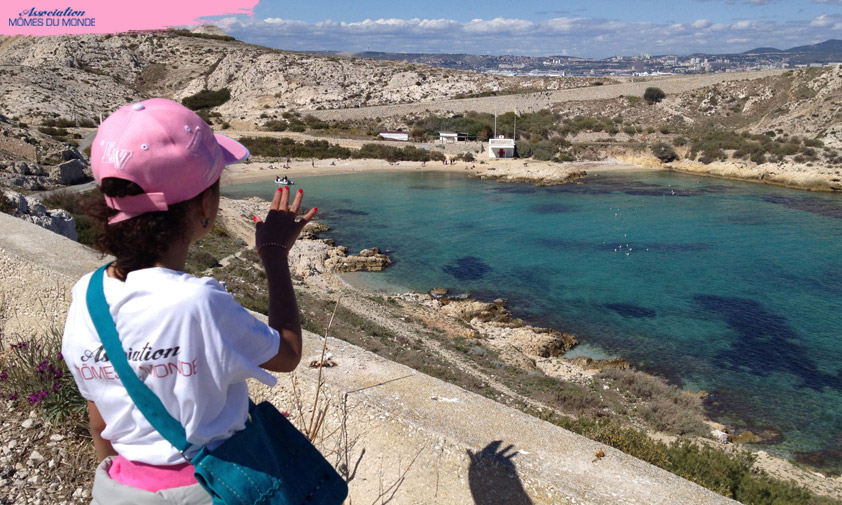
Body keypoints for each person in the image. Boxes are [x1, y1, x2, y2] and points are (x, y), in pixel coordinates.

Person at [61, 98, 317, 504]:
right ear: (205, 205)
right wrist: (273, 253)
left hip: (120, 489)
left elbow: (99, 422)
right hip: (207, 490)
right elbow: (287, 353)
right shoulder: (197, 302)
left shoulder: (86, 296)